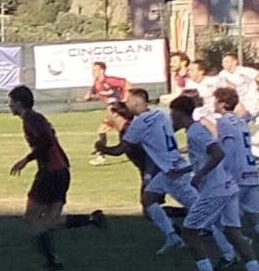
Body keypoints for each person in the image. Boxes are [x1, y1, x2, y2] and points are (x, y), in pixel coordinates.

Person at [8, 85, 106, 271]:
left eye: (11, 102)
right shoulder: (37, 117)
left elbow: (45, 142)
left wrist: (25, 160)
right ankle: (92, 220)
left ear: (19, 103)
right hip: (61, 171)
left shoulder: (31, 119)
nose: (10, 105)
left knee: (32, 219)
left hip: (50, 173)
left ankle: (53, 260)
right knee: (50, 221)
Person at [95, 88, 194, 252]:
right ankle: (174, 235)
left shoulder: (137, 125)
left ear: (136, 101)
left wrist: (102, 148)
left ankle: (226, 243)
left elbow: (123, 149)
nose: (106, 118)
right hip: (168, 167)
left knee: (197, 206)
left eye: (128, 100)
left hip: (166, 169)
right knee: (148, 202)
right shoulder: (161, 114)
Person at [168, 94, 258, 271]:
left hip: (215, 190)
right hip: (228, 186)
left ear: (179, 113)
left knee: (189, 232)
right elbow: (203, 158)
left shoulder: (196, 131)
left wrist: (199, 175)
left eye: (172, 114)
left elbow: (218, 153)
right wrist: (184, 170)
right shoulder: (195, 131)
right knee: (232, 232)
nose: (171, 119)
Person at [212, 87, 259, 238]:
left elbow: (228, 148)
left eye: (216, 101)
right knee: (252, 212)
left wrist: (222, 171)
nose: (213, 103)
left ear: (223, 104)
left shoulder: (223, 122)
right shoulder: (241, 121)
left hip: (236, 173)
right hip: (251, 170)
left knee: (224, 211)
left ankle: (239, 243)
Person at [84, 61, 129, 166]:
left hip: (118, 110)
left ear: (102, 70)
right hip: (112, 110)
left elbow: (126, 83)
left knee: (104, 130)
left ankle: (101, 155)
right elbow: (89, 96)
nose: (93, 72)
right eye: (92, 70)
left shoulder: (109, 80)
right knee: (122, 132)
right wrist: (89, 96)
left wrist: (125, 98)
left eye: (95, 70)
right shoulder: (96, 83)